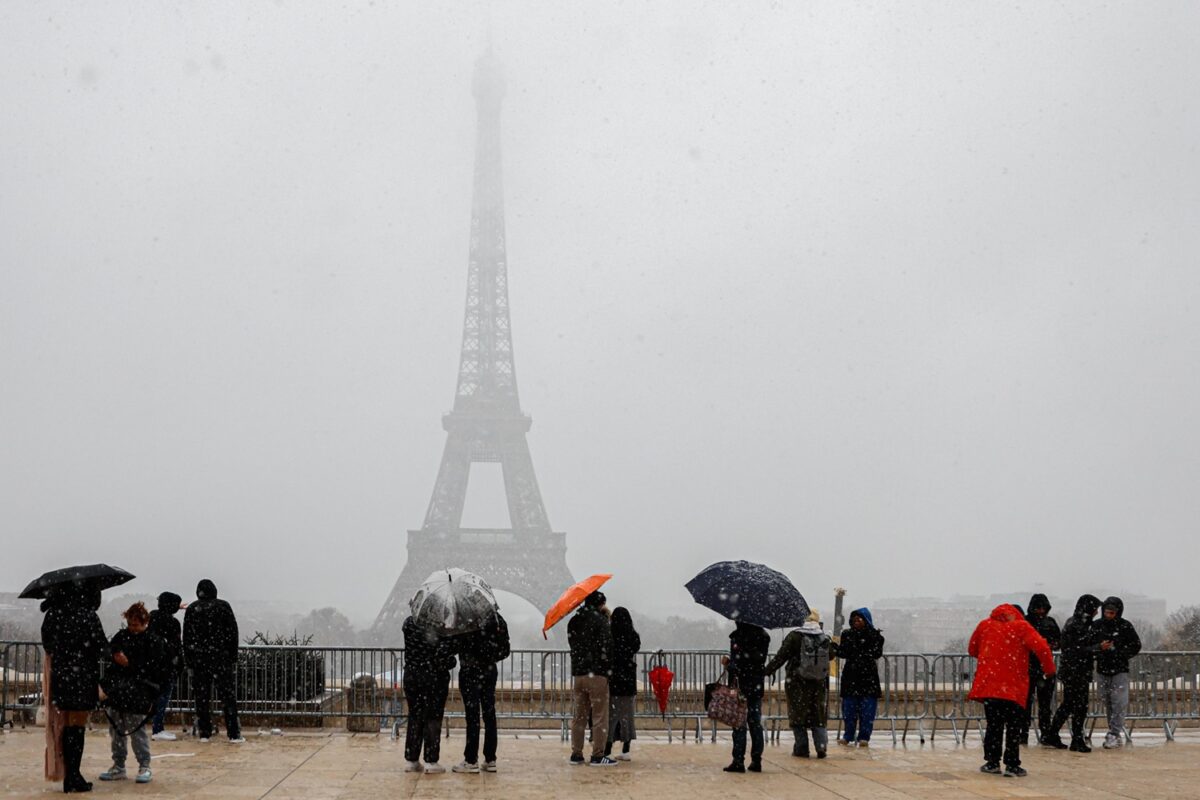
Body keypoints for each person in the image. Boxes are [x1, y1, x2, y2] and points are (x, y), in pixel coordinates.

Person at [968, 603, 1056, 778]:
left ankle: (992, 762)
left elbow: (972, 649)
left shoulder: (985, 625)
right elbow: (1042, 648)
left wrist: (992, 659)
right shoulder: (1022, 627)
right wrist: (1049, 670)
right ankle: (1012, 764)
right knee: (1014, 726)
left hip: (991, 686)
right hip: (1014, 687)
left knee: (994, 725)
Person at [41, 582, 107, 794]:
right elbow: (100, 645)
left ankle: (68, 774)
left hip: (61, 675)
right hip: (83, 676)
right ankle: (73, 775)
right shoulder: (88, 616)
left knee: (66, 724)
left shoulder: (53, 614)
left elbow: (48, 644)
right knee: (76, 726)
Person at [98, 602, 169, 785]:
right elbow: (108, 651)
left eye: (135, 625)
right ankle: (118, 765)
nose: (132, 629)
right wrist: (115, 656)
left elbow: (153, 669)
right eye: (130, 624)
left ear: (145, 623)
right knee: (117, 731)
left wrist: (129, 664)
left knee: (137, 731)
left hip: (137, 692)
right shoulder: (122, 637)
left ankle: (144, 765)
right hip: (119, 690)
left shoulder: (153, 642)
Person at [764, 610, 832, 759]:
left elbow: (781, 656)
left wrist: (767, 671)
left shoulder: (795, 636)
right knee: (818, 715)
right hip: (818, 682)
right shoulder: (824, 637)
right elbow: (831, 654)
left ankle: (801, 748)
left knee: (798, 714)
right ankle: (821, 747)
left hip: (797, 681)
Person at [183, 579, 243, 743]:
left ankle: (205, 732)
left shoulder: (192, 609)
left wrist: (190, 660)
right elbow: (232, 632)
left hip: (200, 660)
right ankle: (234, 733)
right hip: (221, 658)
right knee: (228, 697)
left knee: (202, 698)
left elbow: (187, 638)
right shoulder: (223, 606)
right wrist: (232, 656)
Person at [450, 610, 510, 774]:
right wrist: (489, 658)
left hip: (470, 671)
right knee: (489, 714)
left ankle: (471, 760)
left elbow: (454, 646)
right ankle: (490, 759)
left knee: (472, 715)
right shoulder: (498, 621)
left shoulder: (466, 619)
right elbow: (505, 650)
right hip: (489, 671)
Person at [567, 590, 617, 766]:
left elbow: (573, 644)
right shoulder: (601, 621)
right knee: (599, 716)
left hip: (579, 674)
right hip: (597, 674)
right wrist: (608, 669)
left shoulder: (573, 621)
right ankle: (597, 755)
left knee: (579, 716)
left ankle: (576, 753)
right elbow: (608, 647)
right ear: (599, 604)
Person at [1046, 594, 1102, 751]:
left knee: (1070, 704)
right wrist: (1097, 648)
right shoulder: (1077, 625)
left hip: (1074, 670)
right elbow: (1076, 650)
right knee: (1077, 705)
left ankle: (1055, 733)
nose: (1097, 612)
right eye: (1095, 609)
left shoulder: (1075, 623)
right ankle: (1075, 738)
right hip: (1076, 671)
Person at [402, 613, 456, 773]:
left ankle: (411, 759)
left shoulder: (409, 623)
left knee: (415, 715)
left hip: (411, 675)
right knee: (433, 717)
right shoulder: (439, 628)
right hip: (433, 678)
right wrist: (451, 660)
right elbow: (444, 658)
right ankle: (431, 761)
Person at [1094, 596, 1142, 749]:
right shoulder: (1097, 626)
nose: (1109, 616)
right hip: (1102, 669)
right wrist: (1099, 648)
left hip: (1119, 669)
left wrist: (1119, 652)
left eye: (1112, 613)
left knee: (1119, 702)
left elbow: (1136, 645)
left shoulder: (1125, 626)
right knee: (1107, 701)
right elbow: (1088, 644)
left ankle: (1114, 733)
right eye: (1107, 612)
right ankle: (1113, 731)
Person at [723, 620, 770, 773]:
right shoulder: (764, 636)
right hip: (755, 686)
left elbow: (737, 666)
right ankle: (756, 760)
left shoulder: (738, 637)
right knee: (755, 724)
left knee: (739, 724)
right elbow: (758, 661)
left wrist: (728, 664)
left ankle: (738, 760)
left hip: (740, 687)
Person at [834, 608, 884, 747]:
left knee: (867, 711)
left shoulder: (874, 636)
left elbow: (876, 653)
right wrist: (834, 647)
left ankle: (864, 737)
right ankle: (848, 735)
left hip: (867, 678)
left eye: (859, 619)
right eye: (854, 620)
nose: (856, 622)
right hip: (851, 677)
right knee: (849, 710)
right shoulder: (847, 634)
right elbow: (843, 652)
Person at [1021, 594, 1061, 746]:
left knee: (1038, 704)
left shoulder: (1027, 622)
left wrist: (1052, 645)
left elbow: (1059, 641)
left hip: (1037, 667)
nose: (1041, 611)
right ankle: (1031, 732)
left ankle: (1030, 732)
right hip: (1038, 667)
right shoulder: (1047, 622)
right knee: (1033, 704)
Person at [604, 607, 641, 761]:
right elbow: (635, 648)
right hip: (628, 682)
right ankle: (626, 749)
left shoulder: (610, 635)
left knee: (611, 718)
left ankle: (607, 749)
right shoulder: (633, 636)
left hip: (613, 681)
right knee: (627, 718)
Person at [147, 591, 183, 741]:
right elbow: (176, 646)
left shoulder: (152, 617)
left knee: (155, 696)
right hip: (167, 666)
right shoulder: (173, 623)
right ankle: (158, 728)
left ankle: (154, 726)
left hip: (152, 664)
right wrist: (179, 664)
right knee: (163, 697)